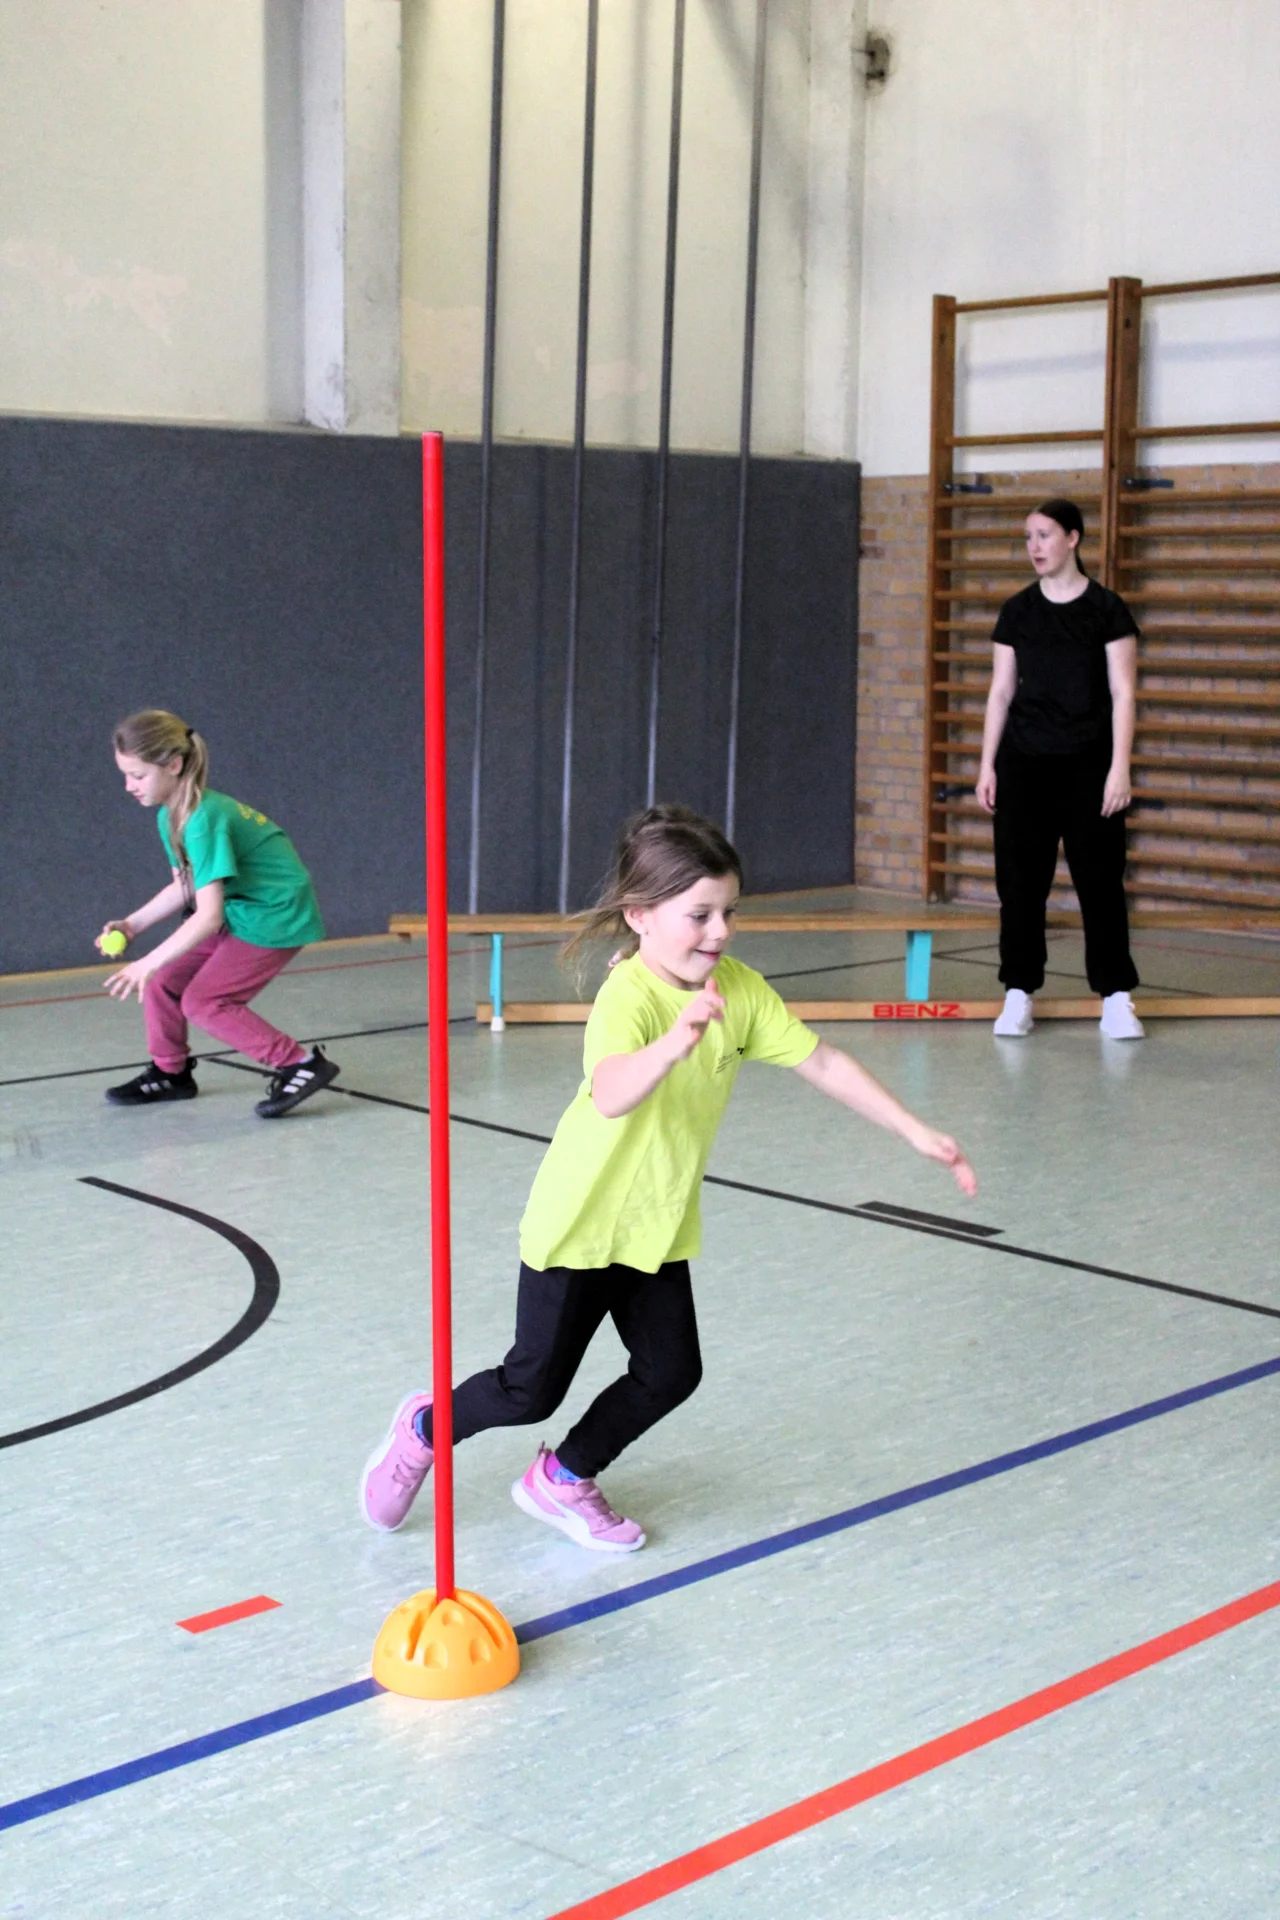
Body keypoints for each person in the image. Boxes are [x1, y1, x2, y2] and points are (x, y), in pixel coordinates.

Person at [360, 804, 977, 1554]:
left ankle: (563, 1476)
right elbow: (611, 1091)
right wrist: (675, 1042)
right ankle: (424, 1428)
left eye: (730, 912)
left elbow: (821, 1060)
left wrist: (914, 1130)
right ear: (640, 915)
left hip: (656, 1225)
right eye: (700, 915)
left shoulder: (739, 990)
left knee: (671, 1372)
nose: (720, 932)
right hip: (581, 1223)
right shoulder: (629, 996)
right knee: (529, 1389)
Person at [99, 709, 340, 1118]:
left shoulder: (204, 820)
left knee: (205, 1001)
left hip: (275, 915)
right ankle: (171, 1073)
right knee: (162, 981)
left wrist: (145, 961)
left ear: (173, 765)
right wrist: (133, 924)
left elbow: (207, 916)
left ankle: (300, 1064)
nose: (128, 786)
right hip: (240, 908)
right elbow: (186, 885)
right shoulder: (171, 814)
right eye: (125, 775)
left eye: (138, 775)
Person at [976, 498, 1144, 1041]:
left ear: (1073, 538)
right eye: (1028, 537)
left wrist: (1120, 768)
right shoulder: (1017, 611)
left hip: (1090, 766)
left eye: (1044, 535)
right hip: (1024, 765)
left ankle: (1115, 997)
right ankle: (1018, 992)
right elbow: (1001, 693)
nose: (1034, 547)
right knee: (1020, 884)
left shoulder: (1107, 610)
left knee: (1100, 882)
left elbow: (1123, 693)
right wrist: (987, 765)